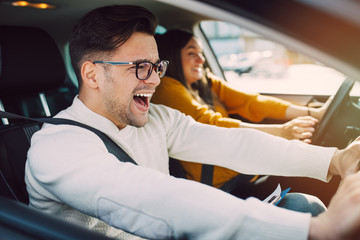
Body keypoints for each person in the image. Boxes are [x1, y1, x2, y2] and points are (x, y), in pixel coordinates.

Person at [25, 4, 360, 240]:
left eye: (157, 66)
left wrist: (334, 159)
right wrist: (316, 232)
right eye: (140, 66)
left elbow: (231, 143)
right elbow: (156, 197)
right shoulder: (57, 147)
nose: (155, 80)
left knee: (302, 205)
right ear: (92, 74)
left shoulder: (155, 118)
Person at [152, 29, 331, 192]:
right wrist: (281, 132)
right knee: (306, 179)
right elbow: (211, 124)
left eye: (201, 53)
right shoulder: (166, 88)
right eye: (192, 53)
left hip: (238, 167)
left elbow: (251, 102)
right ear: (172, 56)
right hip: (218, 185)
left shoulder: (205, 82)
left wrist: (312, 113)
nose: (201, 59)